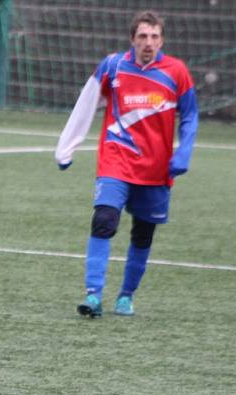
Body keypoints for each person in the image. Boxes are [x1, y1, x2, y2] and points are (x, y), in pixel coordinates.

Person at [55, 10, 198, 318]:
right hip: (115, 160)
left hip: (157, 169)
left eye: (155, 36)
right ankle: (93, 295)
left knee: (143, 235)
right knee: (104, 219)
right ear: (132, 39)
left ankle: (126, 295)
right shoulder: (113, 66)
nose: (149, 42)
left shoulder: (177, 72)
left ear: (162, 40)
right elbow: (87, 102)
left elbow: (190, 115)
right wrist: (66, 147)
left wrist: (184, 150)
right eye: (143, 36)